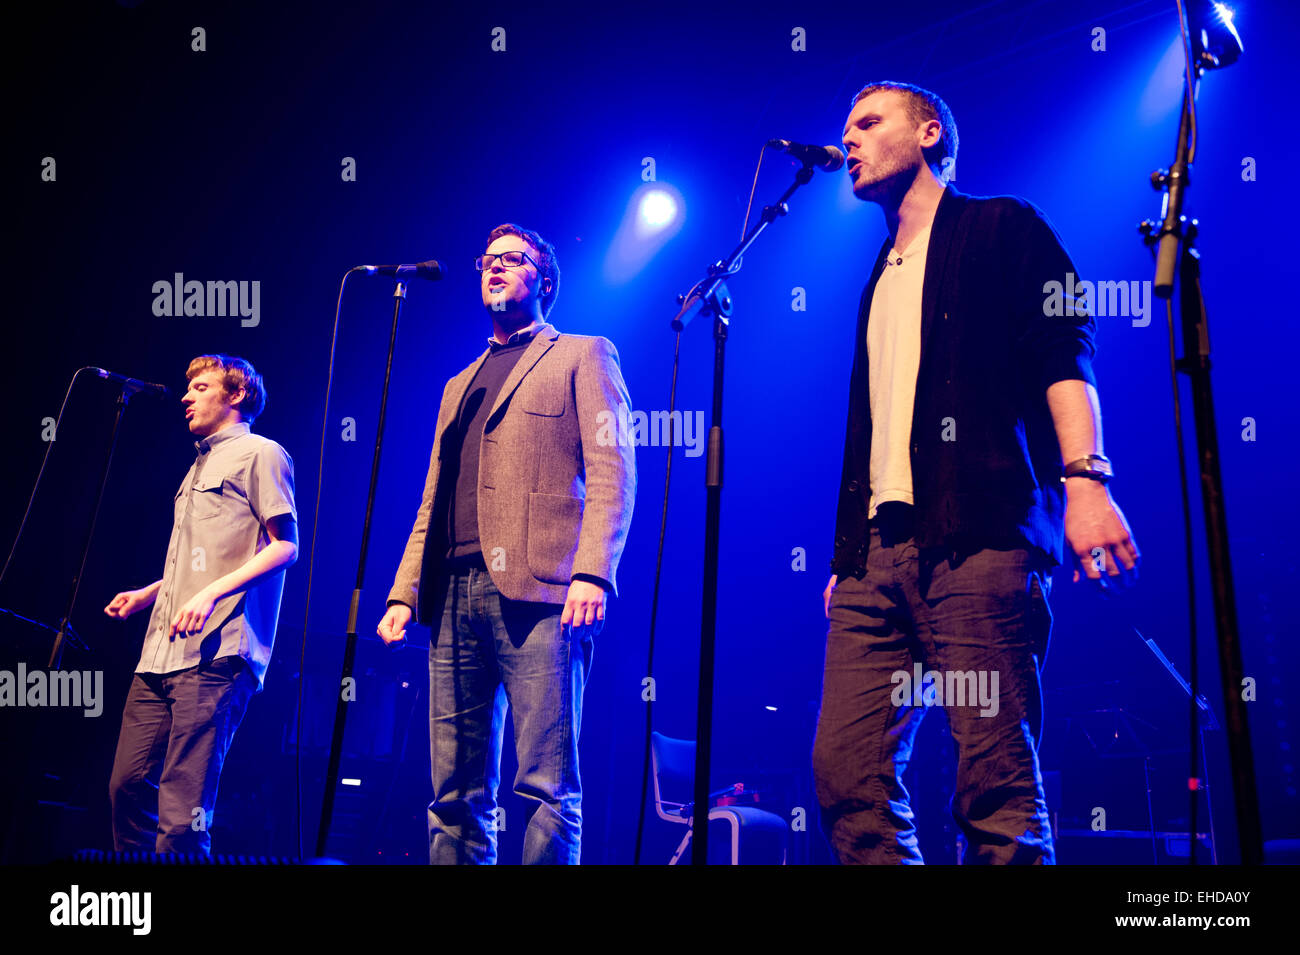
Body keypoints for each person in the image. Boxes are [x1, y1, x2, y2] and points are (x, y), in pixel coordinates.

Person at [813, 81, 1140, 864]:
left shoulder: (1001, 225)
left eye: (868, 121)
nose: (848, 139)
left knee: (993, 777)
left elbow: (1065, 346)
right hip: (875, 558)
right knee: (845, 771)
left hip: (980, 539)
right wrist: (843, 557)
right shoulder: (877, 277)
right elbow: (873, 430)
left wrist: (1087, 479)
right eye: (846, 127)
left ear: (929, 132)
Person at [377, 223, 636, 865]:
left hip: (544, 589)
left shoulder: (583, 353)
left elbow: (613, 468)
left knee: (547, 786)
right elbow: (433, 498)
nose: (495, 267)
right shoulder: (456, 384)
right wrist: (404, 594)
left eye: (512, 259)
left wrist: (593, 573)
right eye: (487, 259)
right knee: (454, 793)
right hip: (453, 592)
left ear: (544, 278)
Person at [103, 354, 297, 855]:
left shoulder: (262, 453)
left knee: (181, 810)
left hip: (218, 655)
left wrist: (213, 593)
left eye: (201, 386)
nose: (186, 396)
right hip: (161, 652)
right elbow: (201, 557)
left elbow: (285, 546)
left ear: (235, 395)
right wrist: (152, 592)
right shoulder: (197, 466)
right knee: (126, 787)